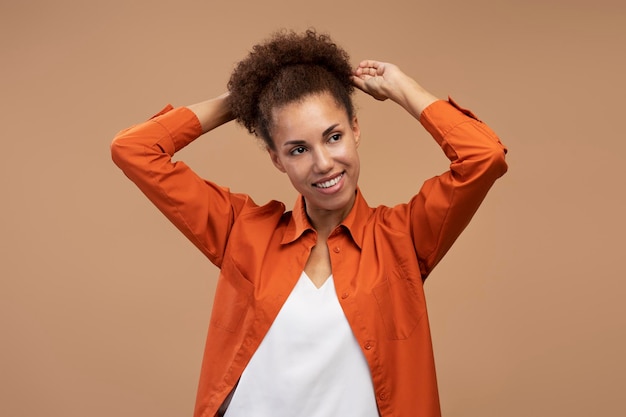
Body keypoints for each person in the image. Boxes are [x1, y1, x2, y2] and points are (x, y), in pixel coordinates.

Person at [111, 29, 507, 417]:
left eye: (333, 137)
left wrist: (403, 88)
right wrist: (241, 102)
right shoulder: (243, 232)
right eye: (298, 149)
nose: (323, 163)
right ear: (276, 159)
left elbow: (483, 157)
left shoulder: (404, 238)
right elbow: (135, 150)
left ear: (355, 128)